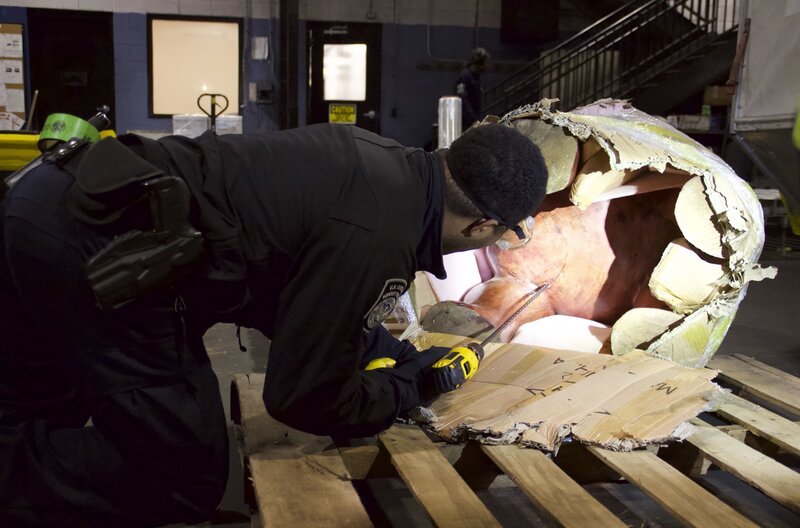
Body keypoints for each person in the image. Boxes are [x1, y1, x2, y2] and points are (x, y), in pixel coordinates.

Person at [0, 121, 548, 527]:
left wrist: (379, 348)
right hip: (104, 253)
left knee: (40, 405)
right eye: (510, 234)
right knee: (182, 473)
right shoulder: (380, 236)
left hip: (51, 200)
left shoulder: (382, 166)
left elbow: (287, 282)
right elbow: (304, 397)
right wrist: (407, 388)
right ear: (483, 225)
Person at [455, 47, 492, 131]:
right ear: (479, 63)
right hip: (464, 123)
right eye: (485, 63)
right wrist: (473, 119)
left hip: (473, 120)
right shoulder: (464, 76)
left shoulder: (476, 77)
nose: (487, 66)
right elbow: (462, 100)